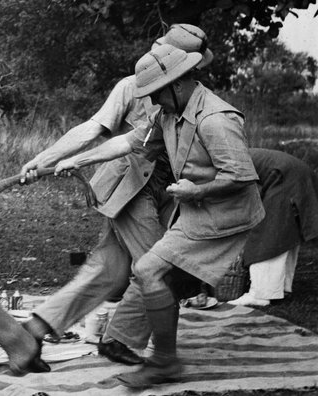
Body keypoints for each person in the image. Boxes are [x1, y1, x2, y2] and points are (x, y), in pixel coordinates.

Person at [28, 44, 265, 387]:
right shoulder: (166, 113)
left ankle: (158, 358)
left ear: (179, 83)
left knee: (151, 270)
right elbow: (128, 143)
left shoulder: (216, 119)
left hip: (226, 212)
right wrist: (75, 160)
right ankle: (152, 354)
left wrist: (196, 191)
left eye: (157, 93)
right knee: (147, 271)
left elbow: (240, 177)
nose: (152, 102)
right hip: (194, 207)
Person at [19, 24, 214, 367]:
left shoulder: (191, 92)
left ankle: (34, 330)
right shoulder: (130, 86)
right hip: (129, 192)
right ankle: (119, 339)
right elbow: (93, 130)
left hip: (163, 194)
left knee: (107, 271)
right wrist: (44, 159)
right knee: (157, 267)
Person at [227, 148, 318, 306]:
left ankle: (260, 294)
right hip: (295, 173)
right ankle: (281, 288)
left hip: (285, 176)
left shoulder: (217, 165)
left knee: (268, 233)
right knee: (286, 231)